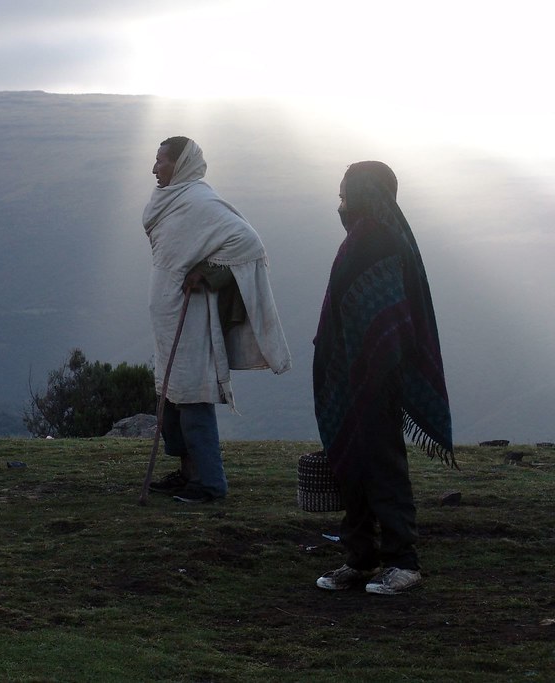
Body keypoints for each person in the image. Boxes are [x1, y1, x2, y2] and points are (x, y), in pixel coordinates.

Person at [312, 161, 455, 594]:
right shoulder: (370, 237)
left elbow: (388, 317)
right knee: (351, 466)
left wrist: (374, 370)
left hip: (375, 379)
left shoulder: (379, 239)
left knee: (381, 465)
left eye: (344, 195)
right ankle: (360, 559)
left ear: (363, 194)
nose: (339, 205)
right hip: (354, 377)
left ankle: (402, 562)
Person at [143, 136, 291, 503]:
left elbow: (248, 242)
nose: (154, 168)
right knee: (171, 395)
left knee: (193, 395)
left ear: (179, 165)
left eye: (161, 161)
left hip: (191, 318)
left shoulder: (198, 201)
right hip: (170, 315)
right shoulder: (172, 199)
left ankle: (210, 483)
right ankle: (187, 473)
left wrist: (209, 273)